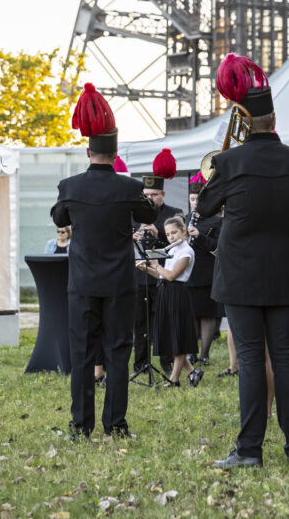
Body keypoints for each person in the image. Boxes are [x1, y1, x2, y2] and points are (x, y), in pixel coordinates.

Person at [197, 58, 289, 469]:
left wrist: (224, 157)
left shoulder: (229, 163)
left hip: (240, 275)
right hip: (284, 271)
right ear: (274, 117)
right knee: (285, 357)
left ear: (242, 120)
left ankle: (249, 450)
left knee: (249, 359)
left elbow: (205, 206)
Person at [50, 82, 157, 439]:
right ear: (115, 154)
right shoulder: (128, 188)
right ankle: (116, 425)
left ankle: (81, 425)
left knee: (82, 354)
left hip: (81, 283)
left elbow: (58, 218)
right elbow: (148, 214)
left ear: (87, 151)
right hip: (119, 283)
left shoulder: (70, 186)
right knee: (117, 352)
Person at [132, 149, 184, 377]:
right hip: (139, 274)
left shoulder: (173, 213)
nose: (150, 199)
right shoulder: (134, 215)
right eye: (147, 195)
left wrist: (159, 235)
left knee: (163, 322)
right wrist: (133, 237)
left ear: (163, 194)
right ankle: (141, 362)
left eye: (154, 195)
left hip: (163, 274)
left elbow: (182, 243)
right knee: (139, 323)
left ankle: (166, 361)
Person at [136, 215, 200, 387]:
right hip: (165, 291)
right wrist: (147, 268)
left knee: (177, 336)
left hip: (178, 294)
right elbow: (162, 274)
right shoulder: (172, 250)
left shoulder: (187, 252)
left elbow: (171, 276)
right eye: (168, 234)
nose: (171, 237)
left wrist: (156, 264)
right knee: (170, 335)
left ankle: (174, 379)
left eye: (174, 233)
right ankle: (193, 372)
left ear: (183, 231)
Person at [186, 172, 222, 365]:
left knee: (207, 313)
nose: (194, 203)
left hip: (207, 272)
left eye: (197, 199)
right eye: (192, 199)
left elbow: (217, 248)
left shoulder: (217, 221)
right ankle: (192, 351)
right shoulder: (186, 218)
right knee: (191, 313)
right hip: (189, 272)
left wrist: (199, 236)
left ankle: (204, 354)